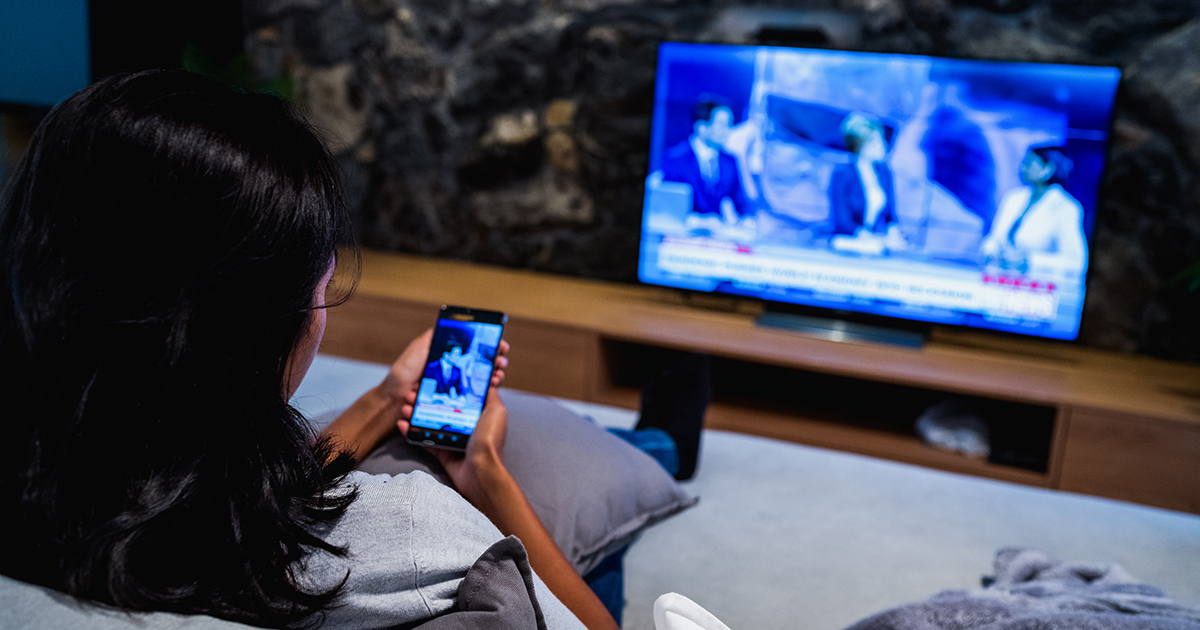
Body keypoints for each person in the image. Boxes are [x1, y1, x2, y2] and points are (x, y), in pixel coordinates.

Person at [0, 70, 619, 630]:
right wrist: (483, 471)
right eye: (321, 290)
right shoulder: (416, 533)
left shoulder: (71, 493)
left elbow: (227, 486)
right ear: (259, 330)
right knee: (621, 494)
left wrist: (385, 400)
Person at [980, 146, 1088, 278]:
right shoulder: (1013, 198)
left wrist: (1029, 261)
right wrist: (991, 252)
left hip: (1037, 284)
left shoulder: (1066, 208)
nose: (1022, 168)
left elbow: (1075, 263)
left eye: (1029, 164)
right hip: (998, 279)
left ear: (1048, 169)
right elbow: (993, 239)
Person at [658, 98, 754, 235]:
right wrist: (696, 221)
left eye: (730, 124)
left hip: (715, 237)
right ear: (702, 127)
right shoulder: (675, 159)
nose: (728, 131)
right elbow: (666, 207)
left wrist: (747, 219)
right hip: (680, 236)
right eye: (722, 125)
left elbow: (740, 202)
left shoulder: (729, 161)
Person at [829, 112, 907, 254]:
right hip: (848, 244)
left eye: (882, 139)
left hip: (874, 243)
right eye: (876, 142)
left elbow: (890, 216)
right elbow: (842, 221)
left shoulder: (884, 173)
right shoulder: (842, 175)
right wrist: (867, 236)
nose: (882, 145)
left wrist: (893, 232)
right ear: (859, 145)